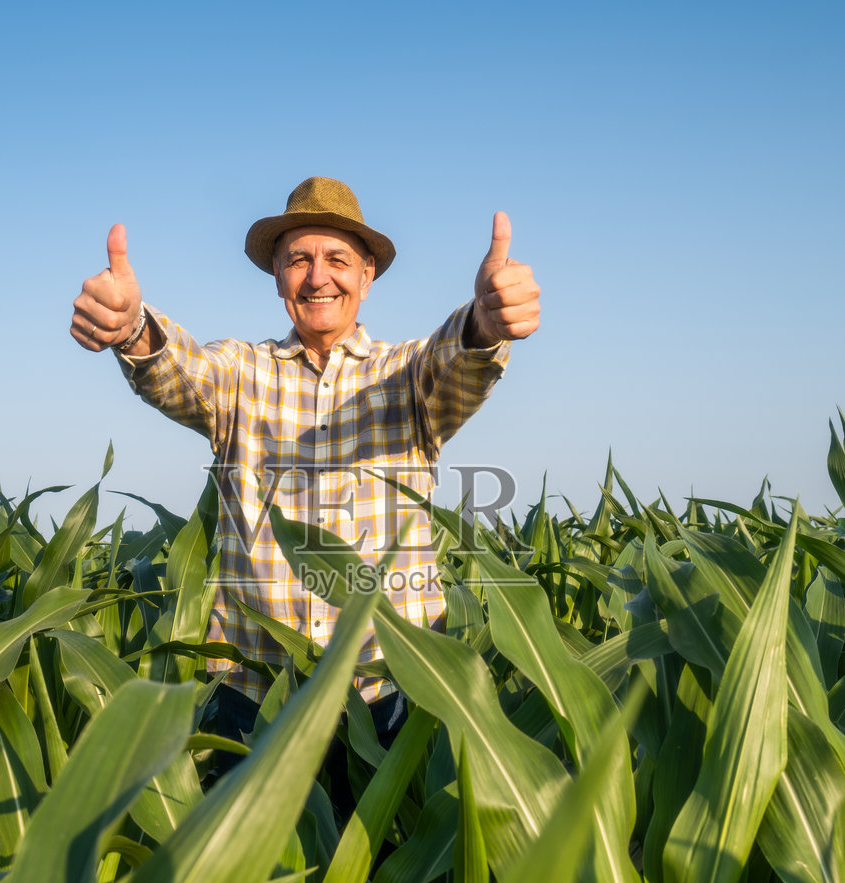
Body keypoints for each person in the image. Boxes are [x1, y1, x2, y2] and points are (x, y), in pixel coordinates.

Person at [69, 176, 540, 752]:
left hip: (392, 693)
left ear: (367, 275)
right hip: (255, 694)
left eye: (337, 259)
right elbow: (181, 372)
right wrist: (134, 329)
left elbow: (457, 361)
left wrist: (485, 324)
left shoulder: (409, 374)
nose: (318, 277)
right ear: (277, 276)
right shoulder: (240, 374)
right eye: (298, 260)